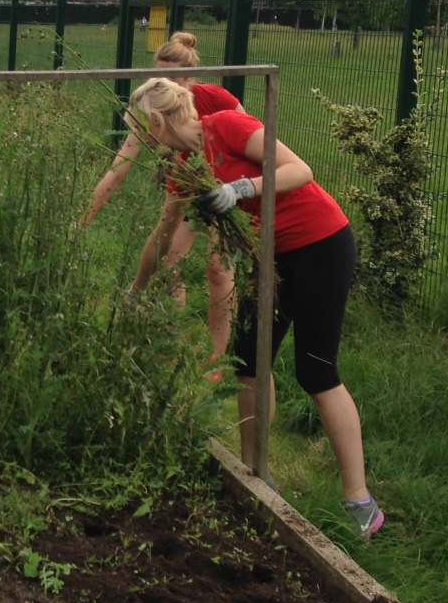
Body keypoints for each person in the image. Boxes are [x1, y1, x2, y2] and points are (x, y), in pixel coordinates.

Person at [128, 77, 382, 538]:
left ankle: (360, 501)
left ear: (159, 119)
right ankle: (255, 474)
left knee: (316, 369)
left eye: (145, 126)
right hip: (272, 254)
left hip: (321, 243)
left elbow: (299, 170)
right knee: (248, 358)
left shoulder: (226, 126)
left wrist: (241, 189)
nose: (145, 138)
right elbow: (170, 233)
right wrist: (140, 286)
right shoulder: (187, 165)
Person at [82, 33, 240, 362]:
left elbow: (248, 138)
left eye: (170, 77)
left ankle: (219, 358)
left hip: (228, 188)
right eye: (156, 76)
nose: (161, 84)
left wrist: (237, 190)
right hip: (186, 181)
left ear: (189, 76)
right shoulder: (152, 107)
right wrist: (84, 220)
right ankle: (172, 340)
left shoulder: (218, 100)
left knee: (218, 268)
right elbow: (120, 167)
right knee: (170, 261)